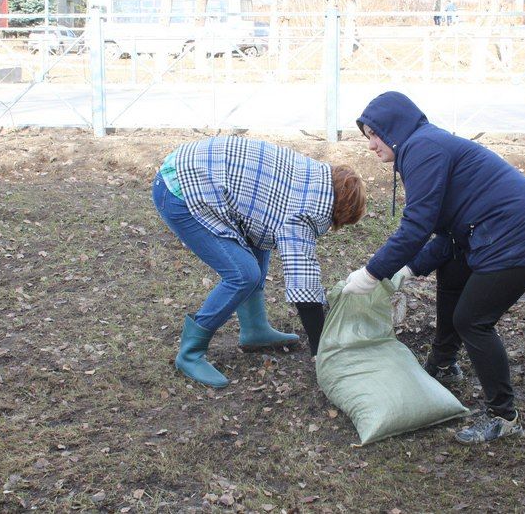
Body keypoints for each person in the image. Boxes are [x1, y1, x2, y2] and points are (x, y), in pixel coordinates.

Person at [343, 91, 525, 444]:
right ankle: (443, 363)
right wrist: (407, 268)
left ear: (393, 128)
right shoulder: (422, 146)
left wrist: (372, 272)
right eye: (367, 138)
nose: (371, 145)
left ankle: (503, 415)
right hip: (494, 231)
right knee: (452, 270)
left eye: (374, 134)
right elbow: (448, 234)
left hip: (524, 234)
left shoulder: (423, 148)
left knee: (473, 320)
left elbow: (417, 225)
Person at [153, 136, 366, 388]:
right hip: (181, 190)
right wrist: (321, 350)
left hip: (195, 170)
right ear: (338, 212)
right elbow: (304, 284)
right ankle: (190, 353)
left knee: (258, 247)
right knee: (243, 274)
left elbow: (265, 218)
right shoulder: (307, 211)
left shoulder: (313, 176)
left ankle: (254, 330)